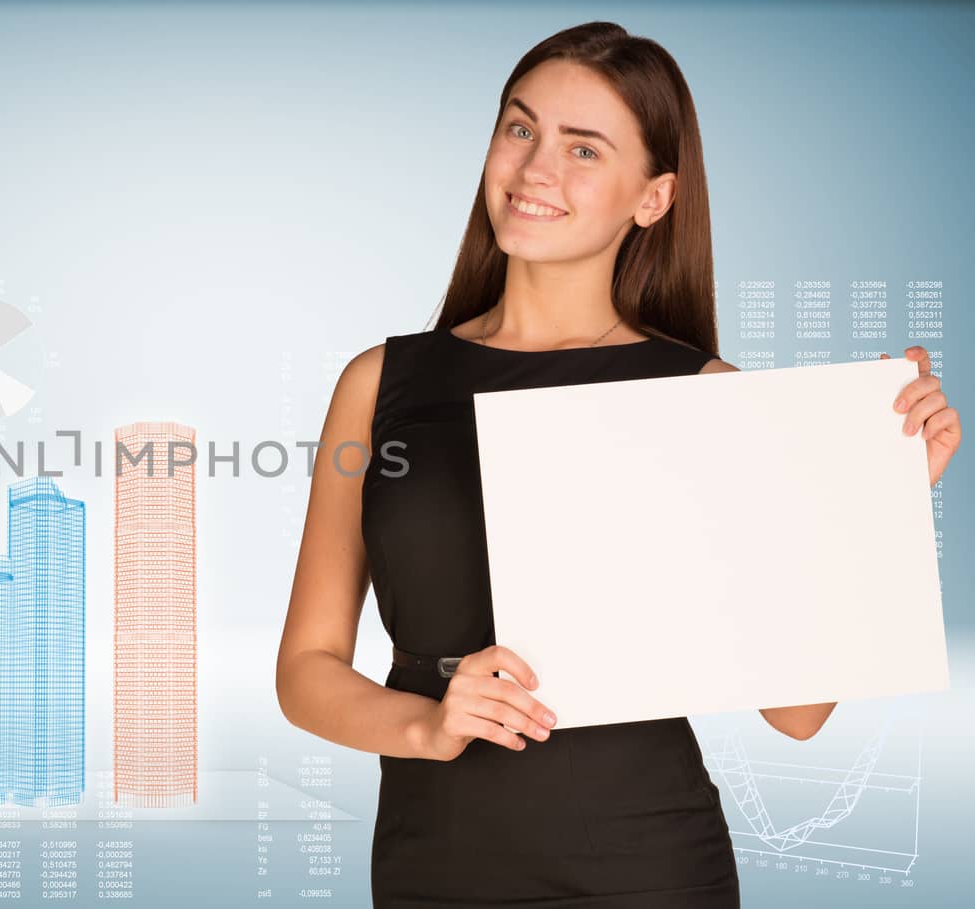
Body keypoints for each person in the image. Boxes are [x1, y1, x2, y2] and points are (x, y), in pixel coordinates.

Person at [274, 20, 962, 908]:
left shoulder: (709, 396)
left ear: (654, 197)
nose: (535, 170)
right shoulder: (376, 384)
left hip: (650, 869)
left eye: (584, 149)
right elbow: (307, 666)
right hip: (431, 866)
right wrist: (426, 723)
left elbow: (796, 714)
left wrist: (878, 500)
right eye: (520, 129)